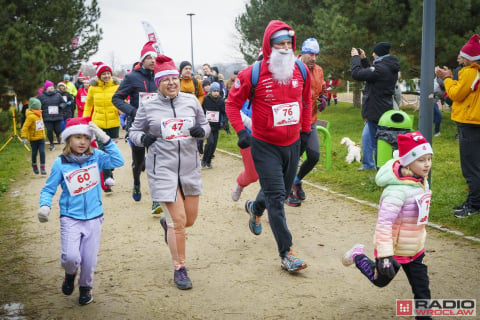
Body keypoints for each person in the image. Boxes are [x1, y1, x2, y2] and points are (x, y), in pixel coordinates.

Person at [226, 20, 311, 273]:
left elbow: (305, 103)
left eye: (289, 44)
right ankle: (287, 253)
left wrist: (305, 133)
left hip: (292, 143)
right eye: (279, 44)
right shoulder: (251, 73)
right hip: (264, 145)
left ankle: (254, 208)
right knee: (277, 199)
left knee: (280, 194)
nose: (285, 48)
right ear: (269, 46)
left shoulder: (300, 71)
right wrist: (241, 132)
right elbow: (231, 104)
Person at [128, 54, 211, 290]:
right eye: (166, 80)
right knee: (179, 221)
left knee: (189, 220)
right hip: (162, 168)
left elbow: (205, 127)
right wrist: (143, 138)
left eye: (174, 78)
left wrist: (200, 131)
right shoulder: (148, 105)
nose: (172, 83)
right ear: (158, 83)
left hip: (188, 167)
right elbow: (133, 132)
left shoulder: (191, 101)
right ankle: (180, 268)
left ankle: (168, 224)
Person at [342, 131, 433, 320]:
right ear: (408, 162)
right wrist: (385, 255)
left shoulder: (420, 181)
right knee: (379, 281)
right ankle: (358, 255)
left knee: (422, 290)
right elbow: (384, 224)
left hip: (415, 249)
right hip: (392, 251)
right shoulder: (396, 191)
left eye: (429, 159)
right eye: (421, 160)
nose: (427, 165)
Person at [38, 117, 124, 305]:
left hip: (94, 217)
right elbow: (48, 189)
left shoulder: (97, 157)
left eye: (86, 137)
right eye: (77, 137)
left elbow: (118, 161)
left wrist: (105, 139)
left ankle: (85, 287)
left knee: (89, 260)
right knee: (71, 257)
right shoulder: (60, 163)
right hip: (70, 218)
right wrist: (45, 205)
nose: (82, 142)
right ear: (69, 139)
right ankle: (69, 274)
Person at [435, 34, 480, 218]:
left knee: (471, 167)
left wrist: (446, 78)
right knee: (475, 165)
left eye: (462, 56)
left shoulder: (470, 72)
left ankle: (474, 204)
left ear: (470, 58)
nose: (458, 58)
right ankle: (473, 201)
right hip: (474, 121)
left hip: (470, 123)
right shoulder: (473, 72)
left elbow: (456, 94)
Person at [112, 41, 158, 205]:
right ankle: (137, 182)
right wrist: (132, 111)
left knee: (156, 162)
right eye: (149, 57)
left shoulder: (161, 77)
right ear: (142, 60)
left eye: (155, 57)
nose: (153, 60)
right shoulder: (132, 77)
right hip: (138, 126)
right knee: (138, 162)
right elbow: (116, 98)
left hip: (156, 126)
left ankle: (157, 199)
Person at [287, 37, 326, 206]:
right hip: (293, 121)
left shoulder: (318, 70)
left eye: (316, 54)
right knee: (292, 158)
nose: (314, 58)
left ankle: (296, 180)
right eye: (311, 54)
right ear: (302, 53)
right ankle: (286, 191)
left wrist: (324, 96)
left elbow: (321, 87)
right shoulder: (291, 67)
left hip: (310, 120)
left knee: (314, 155)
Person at [351, 42, 400, 171]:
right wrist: (364, 60)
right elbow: (372, 74)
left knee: (378, 143)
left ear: (378, 53)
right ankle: (368, 165)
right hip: (381, 107)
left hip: (376, 109)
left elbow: (357, 74)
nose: (372, 54)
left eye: (373, 52)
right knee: (366, 138)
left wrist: (355, 58)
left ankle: (381, 170)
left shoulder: (381, 68)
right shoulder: (387, 66)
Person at [83, 62, 120, 193]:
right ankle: (107, 180)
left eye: (108, 73)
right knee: (103, 151)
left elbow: (122, 101)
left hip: (114, 124)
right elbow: (88, 105)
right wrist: (85, 118)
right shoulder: (93, 88)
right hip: (98, 124)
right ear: (99, 76)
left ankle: (109, 171)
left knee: (112, 152)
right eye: (103, 74)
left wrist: (122, 109)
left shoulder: (116, 86)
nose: (106, 76)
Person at [201, 82, 226, 168]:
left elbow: (224, 112)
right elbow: (201, 111)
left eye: (217, 91)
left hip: (217, 125)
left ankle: (208, 161)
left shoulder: (221, 100)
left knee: (214, 144)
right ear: (211, 91)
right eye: (214, 91)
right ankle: (204, 159)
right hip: (208, 125)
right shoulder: (205, 99)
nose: (216, 93)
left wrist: (225, 123)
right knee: (210, 142)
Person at [20, 97, 47, 175]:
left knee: (42, 152)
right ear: (33, 107)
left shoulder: (39, 113)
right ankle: (34, 165)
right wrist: (24, 137)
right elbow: (25, 127)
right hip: (33, 138)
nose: (40, 107)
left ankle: (42, 167)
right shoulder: (30, 116)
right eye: (38, 106)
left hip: (41, 137)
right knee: (34, 152)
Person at [37, 80, 66, 151]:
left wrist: (61, 106)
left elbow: (63, 103)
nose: (52, 88)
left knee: (58, 130)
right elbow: (38, 106)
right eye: (50, 86)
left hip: (57, 116)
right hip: (47, 117)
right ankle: (51, 143)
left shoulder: (58, 95)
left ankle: (58, 137)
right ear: (46, 88)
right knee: (49, 130)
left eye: (52, 86)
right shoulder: (41, 97)